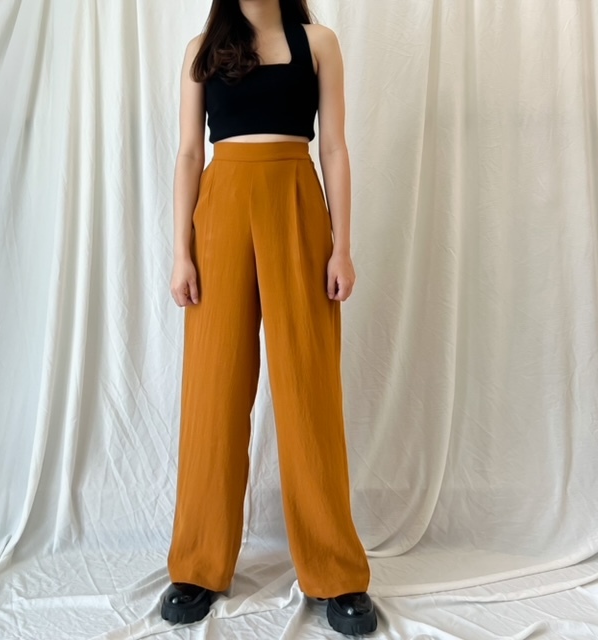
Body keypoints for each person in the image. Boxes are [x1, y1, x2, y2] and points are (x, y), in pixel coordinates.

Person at [161, 0, 378, 635]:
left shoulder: (319, 43)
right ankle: (197, 565)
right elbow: (188, 154)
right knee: (214, 391)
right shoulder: (202, 50)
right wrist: (180, 253)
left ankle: (336, 573)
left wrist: (342, 246)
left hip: (296, 207)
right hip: (222, 210)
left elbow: (333, 147)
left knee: (309, 389)